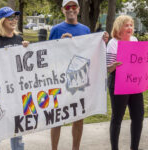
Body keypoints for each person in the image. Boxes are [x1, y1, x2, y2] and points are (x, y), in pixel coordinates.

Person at [49, 0, 109, 150]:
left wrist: (102, 41)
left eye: (74, 6)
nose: (71, 9)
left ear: (79, 9)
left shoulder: (85, 30)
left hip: (79, 80)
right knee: (57, 119)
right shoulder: (56, 29)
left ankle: (76, 148)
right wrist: (60, 43)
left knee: (78, 118)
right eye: (67, 7)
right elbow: (48, 54)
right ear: (63, 10)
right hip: (59, 79)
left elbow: (91, 52)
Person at [0, 7, 29, 150]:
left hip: (17, 89)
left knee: (17, 128)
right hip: (0, 91)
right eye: (10, 18)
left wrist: (26, 49)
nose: (14, 20)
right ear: (2, 21)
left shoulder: (19, 38)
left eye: (15, 17)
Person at [106, 15, 144, 150]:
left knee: (138, 117)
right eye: (126, 25)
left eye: (131, 25)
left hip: (134, 82)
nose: (129, 28)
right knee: (117, 118)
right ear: (119, 27)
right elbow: (108, 69)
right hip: (117, 82)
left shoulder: (135, 40)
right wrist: (114, 65)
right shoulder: (113, 43)